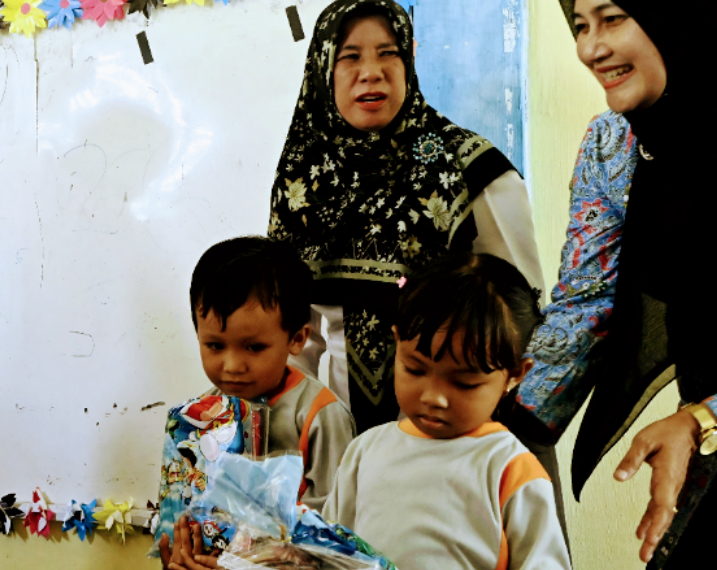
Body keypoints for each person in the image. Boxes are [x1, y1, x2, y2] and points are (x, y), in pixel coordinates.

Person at [267, 0, 543, 431]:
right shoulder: (305, 181)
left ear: (408, 62)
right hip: (345, 436)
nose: (371, 72)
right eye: (350, 57)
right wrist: (298, 437)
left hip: (460, 428)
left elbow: (522, 317)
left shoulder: (470, 170)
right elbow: (296, 339)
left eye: (388, 53)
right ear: (322, 69)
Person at [512, 0, 716, 567]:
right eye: (580, 25)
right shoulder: (614, 146)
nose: (590, 48)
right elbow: (589, 299)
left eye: (613, 18)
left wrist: (706, 418)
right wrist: (488, 425)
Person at [322, 253, 570, 570]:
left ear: (515, 374)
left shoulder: (510, 469)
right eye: (414, 369)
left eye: (464, 383)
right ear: (398, 342)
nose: (434, 397)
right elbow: (331, 551)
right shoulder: (364, 451)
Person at [160, 236, 356, 570]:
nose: (232, 366)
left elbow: (336, 530)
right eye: (215, 345)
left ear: (297, 339)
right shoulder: (198, 417)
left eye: (253, 347)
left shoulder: (320, 415)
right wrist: (180, 556)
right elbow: (185, 511)